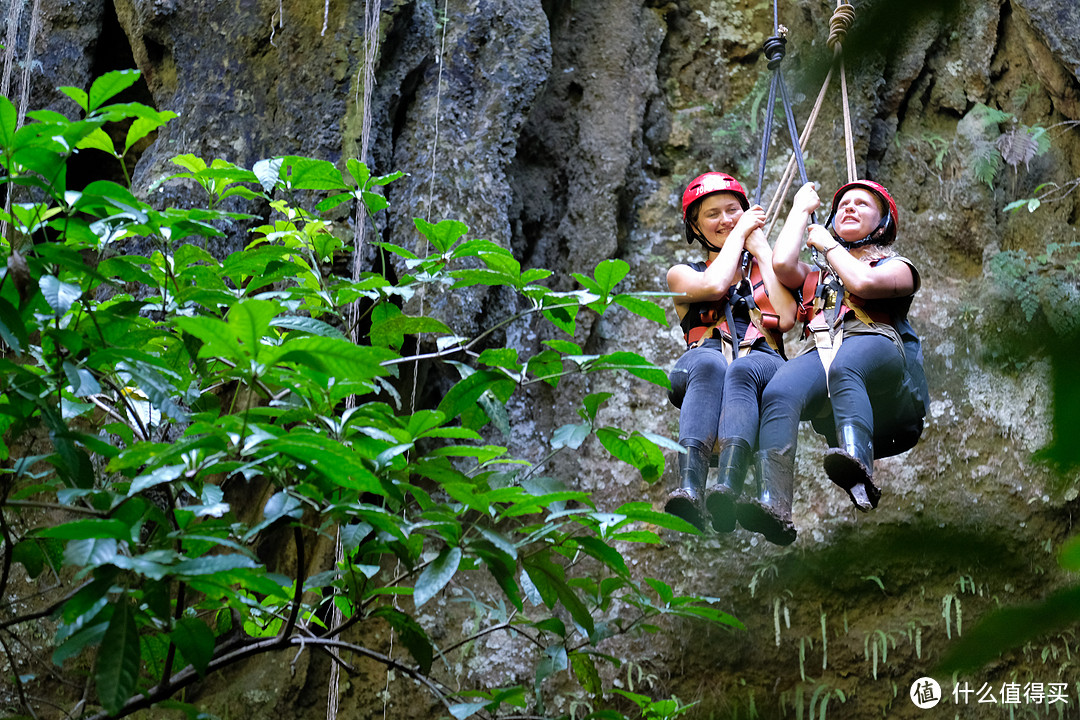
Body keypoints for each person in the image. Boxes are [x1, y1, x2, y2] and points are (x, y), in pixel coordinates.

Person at [743, 179, 923, 545]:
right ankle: (773, 502)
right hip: (822, 350)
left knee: (846, 366)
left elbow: (864, 282)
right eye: (843, 204)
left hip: (875, 343)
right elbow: (781, 263)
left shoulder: (897, 266)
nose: (849, 208)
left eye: (862, 204)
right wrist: (799, 209)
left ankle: (857, 461)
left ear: (883, 224)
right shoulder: (818, 279)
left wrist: (827, 245)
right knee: (778, 392)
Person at [664, 172, 797, 532]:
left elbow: (786, 317)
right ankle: (689, 490)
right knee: (711, 363)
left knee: (743, 370)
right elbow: (715, 284)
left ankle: (727, 489)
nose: (724, 220)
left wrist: (762, 251)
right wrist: (740, 234)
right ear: (695, 225)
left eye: (733, 211)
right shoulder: (681, 274)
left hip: (762, 361)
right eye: (712, 214)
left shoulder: (762, 270)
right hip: (701, 362)